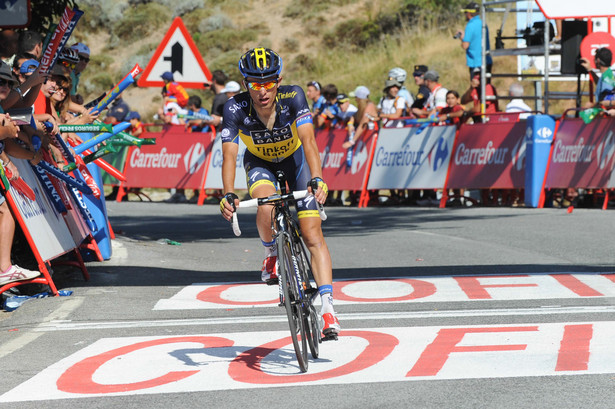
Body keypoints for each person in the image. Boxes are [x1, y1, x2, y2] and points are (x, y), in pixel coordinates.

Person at [219, 47, 340, 337]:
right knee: (266, 206)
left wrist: (317, 178)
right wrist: (228, 193)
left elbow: (309, 141)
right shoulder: (234, 108)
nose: (262, 91)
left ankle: (328, 308)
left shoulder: (293, 96)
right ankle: (271, 251)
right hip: (260, 163)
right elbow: (229, 156)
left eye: (269, 82)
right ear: (246, 83)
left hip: (295, 161)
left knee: (312, 235)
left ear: (279, 79)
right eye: (255, 84)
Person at [456, 2, 493, 80]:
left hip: (476, 63)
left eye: (465, 12)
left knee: (476, 90)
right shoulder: (483, 23)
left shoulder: (470, 25)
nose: (465, 15)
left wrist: (462, 38)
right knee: (487, 88)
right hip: (487, 61)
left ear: (469, 13)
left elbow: (465, 45)